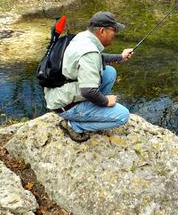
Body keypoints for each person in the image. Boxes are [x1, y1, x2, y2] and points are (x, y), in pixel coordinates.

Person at [44, 11, 133, 142]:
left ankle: (93, 111)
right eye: (114, 30)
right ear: (102, 31)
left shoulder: (83, 37)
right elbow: (88, 90)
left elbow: (96, 58)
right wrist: (106, 101)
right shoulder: (89, 52)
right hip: (66, 105)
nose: (115, 34)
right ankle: (74, 125)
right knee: (122, 116)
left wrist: (120, 57)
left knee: (109, 72)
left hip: (60, 93)